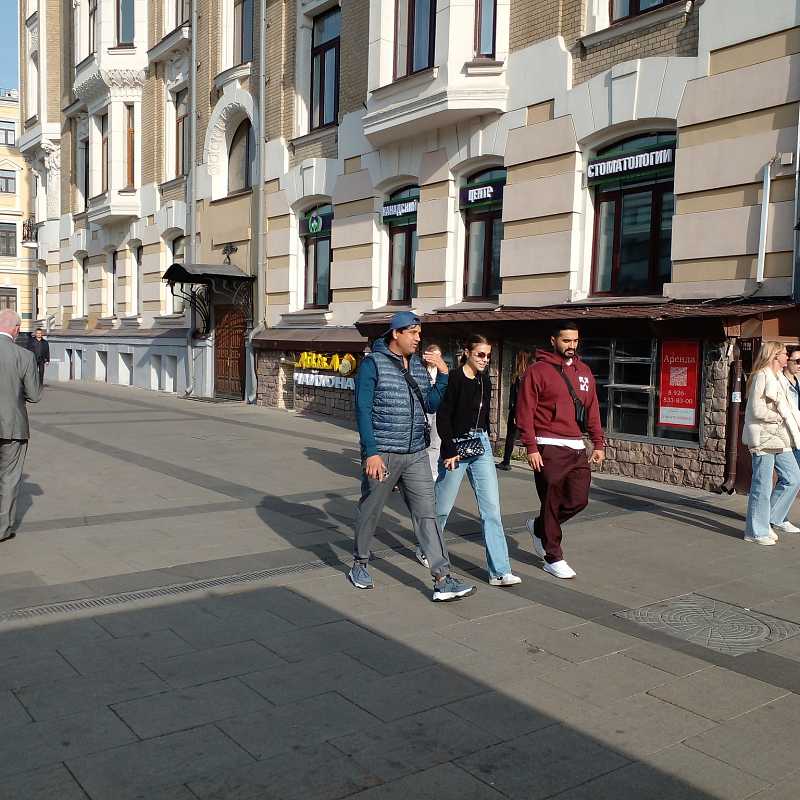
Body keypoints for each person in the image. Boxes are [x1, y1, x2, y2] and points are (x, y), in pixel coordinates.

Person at [349, 311, 476, 602]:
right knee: (371, 510)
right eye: (413, 333)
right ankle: (360, 563)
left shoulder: (417, 365)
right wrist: (371, 453)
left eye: (420, 333)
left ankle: (442, 578)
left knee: (427, 514)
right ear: (396, 333)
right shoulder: (373, 364)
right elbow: (363, 410)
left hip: (416, 453)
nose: (419, 338)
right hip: (384, 453)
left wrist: (443, 376)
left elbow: (430, 404)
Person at [515, 321, 605, 579]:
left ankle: (539, 526)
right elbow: (525, 411)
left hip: (576, 446)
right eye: (566, 340)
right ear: (553, 340)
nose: (571, 345)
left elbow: (592, 409)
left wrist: (598, 443)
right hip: (547, 444)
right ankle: (553, 556)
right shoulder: (537, 371)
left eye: (575, 340)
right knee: (552, 501)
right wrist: (531, 447)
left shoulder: (584, 371)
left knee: (579, 500)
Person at [435, 335, 521, 587]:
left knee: (491, 510)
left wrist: (487, 438)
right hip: (456, 445)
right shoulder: (453, 378)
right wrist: (449, 449)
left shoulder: (485, 380)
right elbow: (443, 416)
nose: (485, 360)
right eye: (480, 354)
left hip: (480, 445)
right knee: (441, 508)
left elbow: (482, 416)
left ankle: (499, 571)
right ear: (467, 352)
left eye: (488, 356)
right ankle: (427, 547)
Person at [742, 341, 800, 545]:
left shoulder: (780, 378)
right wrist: (778, 417)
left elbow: (790, 408)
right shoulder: (761, 376)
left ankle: (770, 519)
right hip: (764, 438)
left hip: (781, 438)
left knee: (793, 477)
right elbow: (756, 410)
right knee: (762, 485)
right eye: (784, 353)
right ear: (775, 356)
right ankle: (755, 531)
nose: (787, 357)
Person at [0, 310, 42, 543]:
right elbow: (34, 395)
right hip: (12, 426)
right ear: (16, 329)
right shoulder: (24, 356)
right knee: (8, 478)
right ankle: (2, 529)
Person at [774, 344, 800, 534]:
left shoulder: (798, 381)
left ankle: (775, 515)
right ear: (787, 361)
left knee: (791, 478)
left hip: (797, 435)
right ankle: (777, 517)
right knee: (791, 478)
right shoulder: (780, 382)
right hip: (786, 435)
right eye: (797, 361)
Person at [496, 350, 530, 470]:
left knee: (510, 436)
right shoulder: (528, 376)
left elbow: (517, 397)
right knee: (528, 435)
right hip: (526, 410)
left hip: (516, 410)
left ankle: (506, 461)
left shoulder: (519, 377)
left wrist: (516, 413)